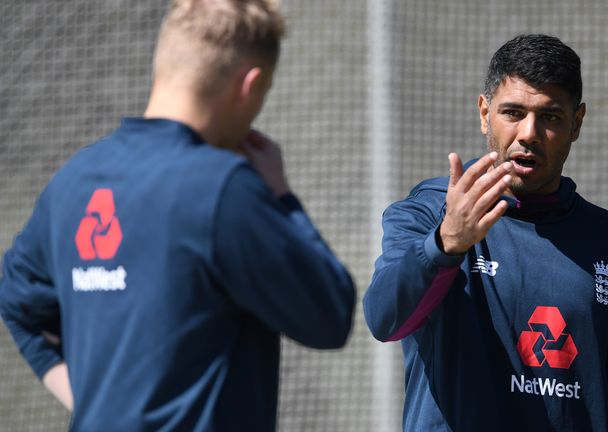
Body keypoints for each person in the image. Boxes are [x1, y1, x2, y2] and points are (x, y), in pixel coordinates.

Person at [0, 0, 356, 430]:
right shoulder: (223, 187)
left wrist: (95, 409)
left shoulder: (73, 181)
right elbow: (328, 317)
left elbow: (17, 304)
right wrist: (281, 196)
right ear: (251, 85)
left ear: (164, 65)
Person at [364, 34, 608, 431]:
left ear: (576, 123)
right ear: (484, 113)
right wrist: (444, 245)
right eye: (513, 112)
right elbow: (386, 320)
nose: (529, 133)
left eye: (550, 117)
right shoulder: (428, 214)